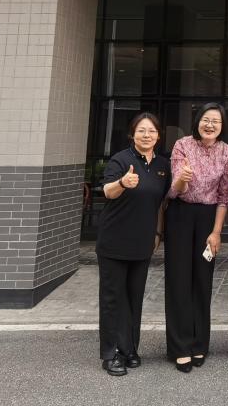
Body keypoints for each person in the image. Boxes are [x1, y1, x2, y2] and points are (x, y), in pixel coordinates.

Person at [95, 112, 170, 376]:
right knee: (112, 298)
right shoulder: (121, 159)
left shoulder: (163, 165)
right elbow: (107, 191)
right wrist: (122, 183)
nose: (146, 135)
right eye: (141, 131)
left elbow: (161, 203)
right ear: (132, 134)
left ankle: (129, 349)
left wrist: (158, 233)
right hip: (114, 240)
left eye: (151, 131)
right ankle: (110, 353)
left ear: (158, 136)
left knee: (134, 297)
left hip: (142, 242)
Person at [165, 102, 228, 373]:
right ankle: (179, 347)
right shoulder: (182, 145)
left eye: (216, 121)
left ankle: (199, 343)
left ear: (222, 126)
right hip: (180, 214)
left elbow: (224, 196)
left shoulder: (227, 151)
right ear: (198, 121)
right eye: (206, 119)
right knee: (179, 279)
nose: (210, 125)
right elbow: (175, 190)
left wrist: (216, 232)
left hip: (208, 217)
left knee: (202, 280)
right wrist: (183, 178)